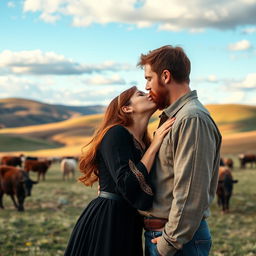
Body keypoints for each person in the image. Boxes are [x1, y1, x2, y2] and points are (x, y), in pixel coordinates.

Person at [64, 86, 175, 256]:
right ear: (127, 108)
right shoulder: (116, 133)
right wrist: (155, 145)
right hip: (109, 219)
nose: (148, 94)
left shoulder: (143, 142)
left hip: (129, 220)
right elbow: (127, 184)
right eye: (141, 94)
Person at [137, 45, 222, 256]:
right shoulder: (177, 117)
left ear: (165, 76)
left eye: (149, 78)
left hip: (178, 242)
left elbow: (191, 191)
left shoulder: (192, 119)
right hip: (166, 236)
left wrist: (169, 243)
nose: (146, 86)